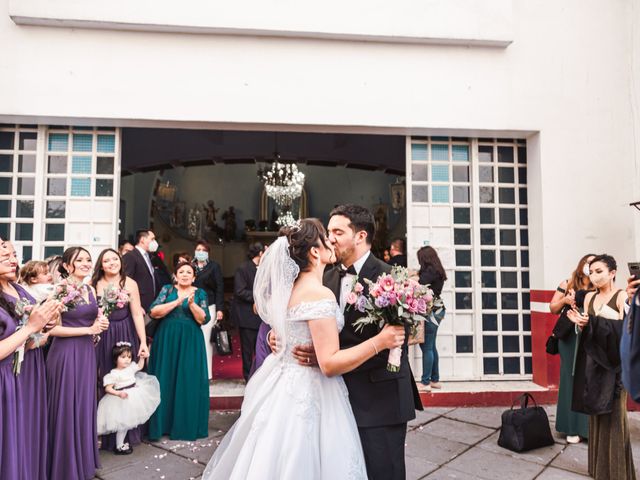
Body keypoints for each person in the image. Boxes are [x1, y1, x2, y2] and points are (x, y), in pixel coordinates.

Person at [203, 219, 405, 479]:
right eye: (325, 236)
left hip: (282, 390)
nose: (331, 241)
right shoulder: (319, 294)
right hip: (313, 392)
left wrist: (278, 338)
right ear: (314, 251)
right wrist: (382, 341)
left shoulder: (289, 291)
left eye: (336, 233)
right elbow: (329, 363)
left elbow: (290, 330)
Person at [321, 205, 422, 479]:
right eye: (329, 231)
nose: (330, 238)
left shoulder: (393, 279)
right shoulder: (325, 277)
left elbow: (397, 341)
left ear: (360, 235)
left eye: (338, 232)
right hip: (335, 398)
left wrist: (328, 358)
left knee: (383, 472)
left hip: (381, 398)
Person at [568, 254, 636, 480]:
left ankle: (618, 474)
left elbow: (626, 332)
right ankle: (599, 471)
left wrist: (594, 323)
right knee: (595, 416)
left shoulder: (621, 297)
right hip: (592, 364)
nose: (594, 276)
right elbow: (587, 333)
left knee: (615, 418)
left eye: (599, 271)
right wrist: (581, 325)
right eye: (592, 272)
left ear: (613, 273)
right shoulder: (587, 299)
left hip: (614, 367)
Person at [46, 247, 109, 480]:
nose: (85, 263)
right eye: (79, 260)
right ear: (66, 265)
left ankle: (81, 463)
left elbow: (92, 321)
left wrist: (98, 330)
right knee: (66, 405)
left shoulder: (90, 288)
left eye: (88, 259)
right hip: (65, 354)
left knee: (83, 404)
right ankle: (63, 466)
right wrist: (88, 329)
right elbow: (51, 329)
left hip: (86, 353)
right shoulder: (60, 289)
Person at [0, 241, 59, 480]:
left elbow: (34, 339)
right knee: (10, 440)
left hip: (30, 371)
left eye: (14, 254)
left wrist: (44, 327)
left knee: (28, 435)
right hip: (6, 378)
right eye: (5, 255)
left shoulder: (19, 289)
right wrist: (30, 329)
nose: (13, 259)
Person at [91, 248, 149, 451]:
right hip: (103, 334)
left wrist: (142, 341)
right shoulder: (94, 284)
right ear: (101, 264)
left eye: (115, 259)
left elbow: (136, 315)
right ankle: (100, 431)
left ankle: (123, 434)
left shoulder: (129, 283)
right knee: (102, 376)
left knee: (125, 379)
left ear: (120, 261)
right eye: (106, 260)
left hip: (124, 331)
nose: (111, 263)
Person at [147, 261, 211, 440]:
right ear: (175, 275)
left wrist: (191, 304)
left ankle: (184, 426)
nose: (184, 274)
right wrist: (177, 302)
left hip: (190, 341)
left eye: (188, 272)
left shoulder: (200, 293)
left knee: (187, 378)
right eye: (181, 271)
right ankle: (161, 426)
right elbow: (154, 312)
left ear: (194, 276)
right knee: (164, 377)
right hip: (166, 339)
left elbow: (203, 319)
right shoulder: (167, 289)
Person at [548, 253, 594, 444]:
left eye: (594, 264)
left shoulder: (598, 287)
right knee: (569, 378)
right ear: (581, 264)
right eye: (588, 263)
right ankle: (570, 427)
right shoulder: (567, 283)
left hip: (590, 334)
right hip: (568, 336)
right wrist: (566, 301)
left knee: (589, 378)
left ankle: (587, 428)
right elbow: (553, 307)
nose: (590, 267)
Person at [97, 342, 160, 454]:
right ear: (116, 358)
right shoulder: (113, 374)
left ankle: (120, 445)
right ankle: (118, 445)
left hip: (133, 396)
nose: (127, 360)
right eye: (123, 357)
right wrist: (118, 393)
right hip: (120, 400)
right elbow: (108, 388)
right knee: (122, 424)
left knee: (125, 424)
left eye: (129, 357)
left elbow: (140, 366)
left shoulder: (130, 367)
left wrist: (141, 358)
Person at [231, 242, 265, 381]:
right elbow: (240, 291)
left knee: (262, 348)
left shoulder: (266, 268)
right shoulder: (243, 268)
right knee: (247, 349)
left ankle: (261, 376)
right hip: (247, 316)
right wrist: (260, 297)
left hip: (263, 316)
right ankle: (248, 378)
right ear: (261, 253)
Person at [416, 245, 447, 392]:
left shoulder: (430, 272)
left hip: (432, 312)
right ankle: (435, 380)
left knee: (426, 347)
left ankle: (425, 382)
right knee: (431, 346)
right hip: (438, 310)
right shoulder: (437, 270)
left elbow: (419, 284)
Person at [193, 240, 224, 380]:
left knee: (206, 341)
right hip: (192, 307)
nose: (200, 252)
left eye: (203, 250)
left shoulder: (214, 267)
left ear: (207, 252)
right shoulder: (190, 266)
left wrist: (219, 308)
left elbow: (219, 288)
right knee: (192, 339)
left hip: (209, 306)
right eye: (198, 249)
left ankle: (206, 374)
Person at [123, 229, 159, 312]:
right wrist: (136, 305)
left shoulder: (148, 256)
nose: (154, 242)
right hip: (138, 305)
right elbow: (126, 281)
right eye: (152, 239)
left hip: (149, 304)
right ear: (142, 239)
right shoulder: (131, 256)